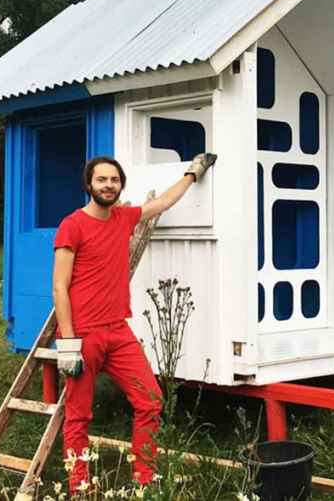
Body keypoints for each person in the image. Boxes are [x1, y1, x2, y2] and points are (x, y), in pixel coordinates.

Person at [52, 153, 217, 491]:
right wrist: (68, 344)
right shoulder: (73, 225)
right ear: (89, 185)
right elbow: (59, 286)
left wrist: (192, 173)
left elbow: (165, 201)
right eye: (101, 179)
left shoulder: (125, 218)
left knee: (151, 399)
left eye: (114, 180)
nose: (108, 185)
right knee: (79, 415)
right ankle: (79, 488)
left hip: (118, 331)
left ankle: (145, 475)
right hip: (83, 334)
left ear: (120, 185)